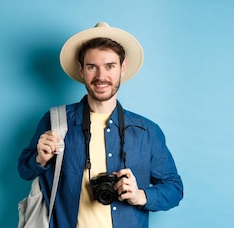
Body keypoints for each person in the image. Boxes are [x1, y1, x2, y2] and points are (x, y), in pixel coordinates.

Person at [18, 22, 183, 228]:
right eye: (91, 66)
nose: (100, 76)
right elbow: (24, 171)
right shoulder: (56, 121)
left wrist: (140, 195)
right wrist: (40, 158)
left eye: (110, 66)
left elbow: (174, 189)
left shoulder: (147, 132)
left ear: (122, 68)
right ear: (81, 69)